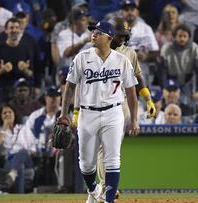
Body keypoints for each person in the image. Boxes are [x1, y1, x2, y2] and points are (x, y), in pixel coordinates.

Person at [59, 20, 139, 203]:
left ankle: (109, 200)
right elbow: (69, 87)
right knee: (86, 165)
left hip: (113, 113)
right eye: (93, 32)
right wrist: (65, 113)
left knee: (112, 160)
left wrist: (134, 120)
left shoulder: (122, 61)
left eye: (98, 32)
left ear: (109, 38)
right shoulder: (81, 58)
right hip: (87, 114)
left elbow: (131, 92)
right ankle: (94, 190)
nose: (93, 34)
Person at [0, 104, 35, 193]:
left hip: (26, 158)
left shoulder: (23, 128)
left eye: (9, 112)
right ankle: (19, 197)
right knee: (19, 167)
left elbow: (32, 147)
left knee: (22, 152)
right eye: (4, 113)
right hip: (7, 160)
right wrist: (4, 128)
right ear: (1, 117)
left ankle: (7, 182)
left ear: (14, 114)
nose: (7, 114)